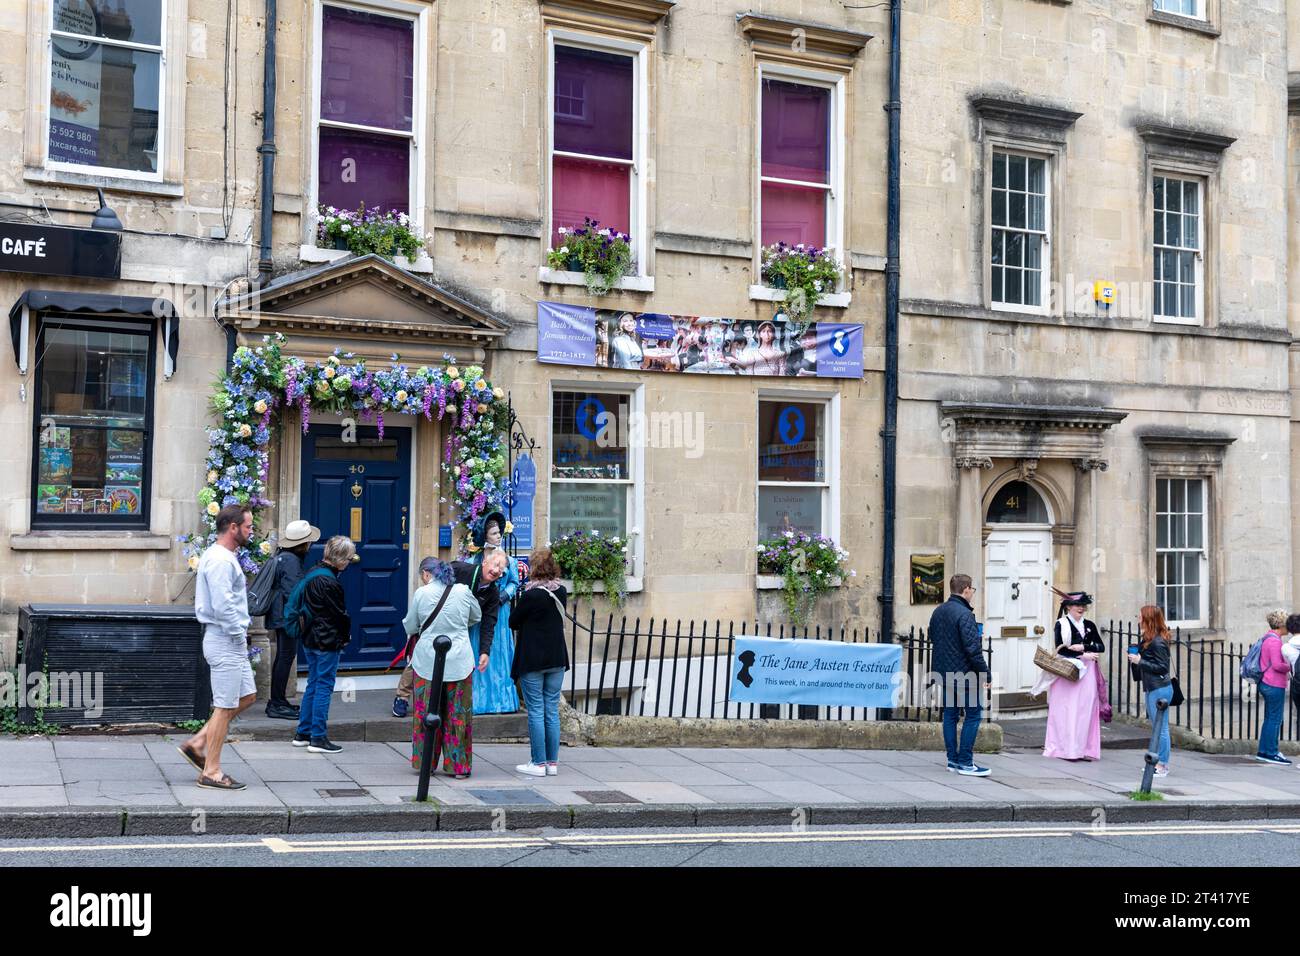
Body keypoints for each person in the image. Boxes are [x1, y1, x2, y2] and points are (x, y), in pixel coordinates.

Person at [181, 503, 257, 791]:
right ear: (233, 527)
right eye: (248, 526)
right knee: (224, 707)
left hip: (229, 640)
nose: (251, 531)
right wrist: (239, 634)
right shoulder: (221, 561)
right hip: (225, 640)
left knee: (247, 696)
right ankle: (210, 771)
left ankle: (198, 742)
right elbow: (224, 606)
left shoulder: (224, 556)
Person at [405, 556, 482, 777]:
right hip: (459, 661)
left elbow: (411, 625)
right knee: (458, 715)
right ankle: (458, 767)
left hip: (428, 661)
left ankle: (425, 763)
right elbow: (476, 616)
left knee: (426, 713)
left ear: (428, 574)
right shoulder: (463, 591)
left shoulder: (422, 593)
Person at [510, 547, 571, 776]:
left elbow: (513, 621)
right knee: (551, 710)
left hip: (533, 659)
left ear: (533, 568)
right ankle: (552, 763)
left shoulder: (530, 595)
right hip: (556, 658)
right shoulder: (561, 591)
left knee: (536, 710)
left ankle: (538, 763)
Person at [292, 535, 355, 755]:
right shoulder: (330, 582)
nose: (349, 562)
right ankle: (317, 737)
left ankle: (303, 733)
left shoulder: (313, 572)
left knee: (313, 683)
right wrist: (346, 635)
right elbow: (339, 615)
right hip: (326, 640)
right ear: (339, 559)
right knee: (324, 686)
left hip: (309, 637)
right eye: (347, 558)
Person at [928, 573, 991, 777]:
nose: (972, 593)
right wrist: (986, 674)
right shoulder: (964, 615)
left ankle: (952, 760)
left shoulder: (938, 611)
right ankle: (965, 762)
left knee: (950, 715)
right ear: (966, 589)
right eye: (972, 589)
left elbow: (933, 639)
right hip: (965, 676)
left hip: (945, 673)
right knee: (973, 715)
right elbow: (973, 649)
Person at [263, 519, 320, 719]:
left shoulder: (283, 556)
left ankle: (278, 701)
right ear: (302, 544)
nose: (310, 545)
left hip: (281, 613)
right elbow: (292, 592)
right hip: (286, 616)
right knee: (285, 656)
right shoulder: (291, 561)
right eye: (308, 542)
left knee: (284, 656)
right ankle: (276, 704)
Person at [1042, 590, 1106, 761]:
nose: (1081, 608)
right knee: (1067, 711)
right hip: (1067, 672)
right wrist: (1082, 654)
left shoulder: (1090, 625)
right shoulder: (1061, 624)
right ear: (1068, 606)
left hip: (1088, 673)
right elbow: (1061, 649)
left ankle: (1082, 749)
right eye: (1078, 605)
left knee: (1085, 710)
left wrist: (1083, 647)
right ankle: (1064, 750)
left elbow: (1100, 646)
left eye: (1083, 605)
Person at [468, 511, 520, 714]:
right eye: (494, 533)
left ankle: (501, 701)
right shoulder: (475, 560)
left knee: (498, 652)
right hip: (479, 612)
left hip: (500, 611)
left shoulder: (509, 560)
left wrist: (501, 598)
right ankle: (478, 701)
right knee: (479, 649)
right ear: (485, 536)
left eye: (499, 533)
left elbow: (514, 583)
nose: (498, 536)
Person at [1127, 605, 1176, 777]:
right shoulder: (1148, 639)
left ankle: (1162, 765)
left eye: (1140, 616)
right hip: (1152, 687)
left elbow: (1163, 667)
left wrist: (1140, 661)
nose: (1138, 618)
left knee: (1161, 728)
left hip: (1160, 688)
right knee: (1157, 727)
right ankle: (1156, 762)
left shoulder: (1158, 641)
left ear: (1147, 619)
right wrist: (1135, 658)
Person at [1255, 609, 1292, 766]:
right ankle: (1271, 752)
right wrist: (1290, 665)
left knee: (1270, 718)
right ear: (1281, 625)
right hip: (1274, 683)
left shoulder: (1267, 638)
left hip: (1266, 682)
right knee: (1275, 719)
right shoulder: (1275, 641)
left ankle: (1263, 751)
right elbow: (1277, 665)